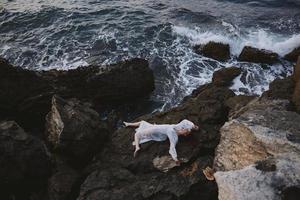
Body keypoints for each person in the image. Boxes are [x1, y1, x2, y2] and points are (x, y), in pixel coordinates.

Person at [124, 119, 199, 164]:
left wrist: (175, 159)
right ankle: (128, 124)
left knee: (137, 134)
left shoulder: (174, 137)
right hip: (158, 129)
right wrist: (194, 126)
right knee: (142, 122)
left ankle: (137, 147)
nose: (183, 129)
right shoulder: (178, 127)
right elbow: (185, 122)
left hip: (156, 130)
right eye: (184, 128)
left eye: (184, 130)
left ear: (185, 134)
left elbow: (172, 148)